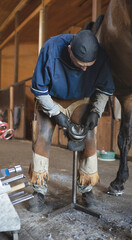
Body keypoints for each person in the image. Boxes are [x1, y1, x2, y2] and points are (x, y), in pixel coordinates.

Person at [28, 30, 114, 213]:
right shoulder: (51, 49)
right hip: (50, 98)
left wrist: (96, 112)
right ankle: (39, 190)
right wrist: (55, 114)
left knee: (89, 135)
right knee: (42, 135)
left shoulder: (101, 55)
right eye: (80, 64)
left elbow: (105, 89)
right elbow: (39, 90)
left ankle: (86, 188)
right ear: (69, 50)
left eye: (88, 66)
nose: (84, 69)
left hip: (79, 99)